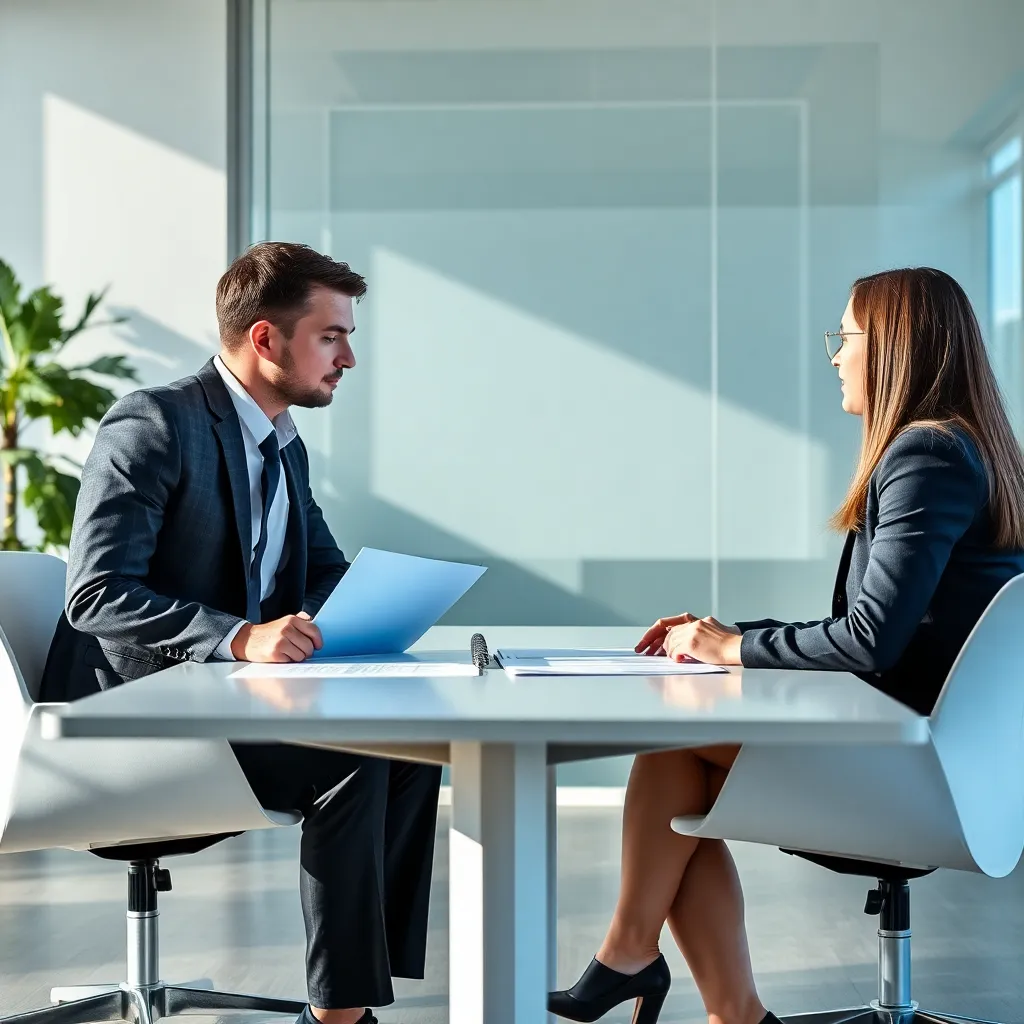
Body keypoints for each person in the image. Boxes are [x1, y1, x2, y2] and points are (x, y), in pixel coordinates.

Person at [548, 267, 1024, 1024]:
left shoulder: (925, 458)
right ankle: (687, 988)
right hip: (947, 760)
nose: (835, 355)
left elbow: (871, 638)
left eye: (847, 337)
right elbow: (884, 627)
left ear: (897, 346)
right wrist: (730, 638)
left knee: (675, 745)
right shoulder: (969, 451)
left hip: (927, 779)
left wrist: (732, 649)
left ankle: (646, 966)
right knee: (681, 754)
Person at [39, 242, 441, 1024]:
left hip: (223, 710)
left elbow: (320, 569)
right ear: (264, 338)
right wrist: (239, 637)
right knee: (355, 759)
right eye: (331, 336)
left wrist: (381, 612)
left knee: (413, 746)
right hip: (129, 730)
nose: (349, 357)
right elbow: (96, 593)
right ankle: (342, 1013)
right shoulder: (154, 423)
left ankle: (354, 992)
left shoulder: (279, 441)